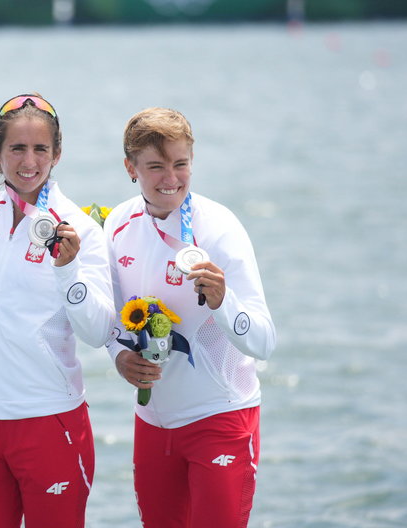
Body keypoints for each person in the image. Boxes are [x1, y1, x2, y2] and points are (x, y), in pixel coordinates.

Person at [104, 107, 277, 527]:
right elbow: (113, 320)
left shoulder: (219, 228)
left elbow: (265, 341)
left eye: (181, 165)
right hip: (152, 423)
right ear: (131, 167)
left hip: (219, 417)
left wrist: (223, 303)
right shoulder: (116, 226)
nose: (171, 179)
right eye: (156, 167)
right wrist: (118, 356)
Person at [0, 94, 115, 528]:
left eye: (40, 149)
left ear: (57, 153)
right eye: (16, 149)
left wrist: (68, 269)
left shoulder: (80, 228)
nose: (29, 161)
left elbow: (98, 330)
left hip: (47, 421)